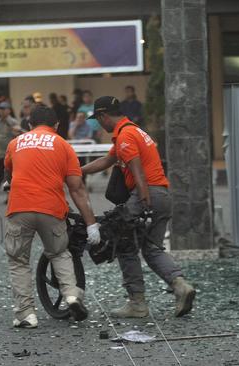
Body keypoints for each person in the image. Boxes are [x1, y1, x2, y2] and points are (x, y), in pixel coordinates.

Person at [82, 96, 196, 318]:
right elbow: (106, 162)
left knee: (123, 243)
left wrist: (143, 197)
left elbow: (136, 167)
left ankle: (137, 303)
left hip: (147, 194)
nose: (99, 124)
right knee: (152, 248)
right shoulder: (133, 131)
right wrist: (77, 171)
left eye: (98, 119)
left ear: (104, 115)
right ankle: (181, 286)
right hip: (162, 195)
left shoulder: (125, 135)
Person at [3, 105, 100, 328]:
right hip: (52, 209)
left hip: (20, 208)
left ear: (29, 125)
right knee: (59, 253)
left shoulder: (15, 143)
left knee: (19, 260)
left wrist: (10, 181)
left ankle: (26, 314)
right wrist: (91, 223)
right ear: (56, 125)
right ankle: (72, 295)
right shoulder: (64, 145)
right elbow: (77, 189)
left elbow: (9, 172)